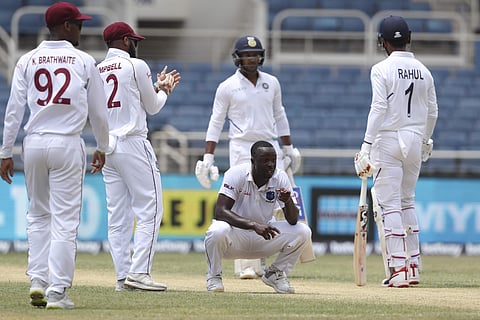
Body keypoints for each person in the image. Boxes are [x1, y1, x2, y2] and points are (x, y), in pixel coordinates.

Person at [0, 2, 109, 309]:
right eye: (77, 24)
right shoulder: (84, 60)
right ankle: (57, 291)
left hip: (33, 142)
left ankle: (37, 280)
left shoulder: (27, 59)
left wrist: (5, 151)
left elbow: (13, 111)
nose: (81, 28)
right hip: (66, 142)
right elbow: (99, 114)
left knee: (37, 214)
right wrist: (103, 146)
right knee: (64, 219)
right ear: (65, 26)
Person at [195, 35, 301, 280]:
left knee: (273, 203)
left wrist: (288, 148)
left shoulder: (272, 83)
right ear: (238, 58)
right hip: (242, 149)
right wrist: (208, 157)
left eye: (255, 54)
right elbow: (216, 121)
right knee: (244, 205)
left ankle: (265, 262)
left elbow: (280, 114)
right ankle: (246, 267)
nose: (251, 59)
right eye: (246, 55)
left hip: (269, 147)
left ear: (261, 56)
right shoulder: (227, 86)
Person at [354, 15, 438, 288]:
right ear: (409, 37)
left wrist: (366, 146)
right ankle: (413, 267)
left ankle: (398, 268)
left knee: (389, 205)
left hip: (388, 139)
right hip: (415, 139)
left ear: (384, 42)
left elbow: (378, 108)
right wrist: (426, 139)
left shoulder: (381, 69)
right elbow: (433, 112)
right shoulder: (425, 71)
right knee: (407, 201)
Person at [97, 21, 180, 292]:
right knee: (151, 209)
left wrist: (153, 88)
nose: (136, 44)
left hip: (108, 146)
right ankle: (139, 272)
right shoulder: (136, 65)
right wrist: (164, 90)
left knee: (117, 217)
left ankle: (123, 277)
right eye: (133, 40)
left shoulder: (96, 70)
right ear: (124, 41)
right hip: (133, 143)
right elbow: (153, 107)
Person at [204, 141, 311, 293]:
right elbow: (220, 211)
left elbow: (293, 220)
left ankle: (275, 274)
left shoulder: (280, 177)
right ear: (253, 161)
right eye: (265, 160)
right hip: (235, 238)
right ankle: (214, 276)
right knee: (217, 230)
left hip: (264, 237)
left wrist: (287, 201)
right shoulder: (236, 174)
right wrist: (253, 225)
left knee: (303, 231)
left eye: (273, 160)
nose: (270, 164)